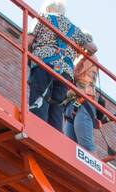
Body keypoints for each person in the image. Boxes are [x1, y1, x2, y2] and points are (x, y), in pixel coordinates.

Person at [28, 1, 95, 130]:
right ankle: (54, 136)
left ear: (47, 8)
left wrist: (30, 54)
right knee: (57, 106)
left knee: (40, 98)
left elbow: (28, 41)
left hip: (45, 64)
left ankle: (36, 130)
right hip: (64, 71)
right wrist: (78, 50)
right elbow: (93, 48)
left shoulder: (43, 17)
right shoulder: (74, 29)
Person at [63, 43, 99, 153]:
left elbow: (74, 74)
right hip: (71, 103)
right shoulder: (78, 58)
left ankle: (95, 168)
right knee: (70, 147)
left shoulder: (90, 57)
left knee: (86, 145)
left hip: (83, 101)